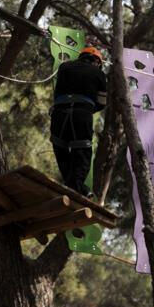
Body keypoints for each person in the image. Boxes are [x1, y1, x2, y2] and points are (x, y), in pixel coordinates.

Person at [50, 46, 107, 196]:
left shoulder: (64, 67)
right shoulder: (99, 73)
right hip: (81, 113)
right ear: (97, 62)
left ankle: (73, 186)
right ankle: (77, 187)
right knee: (82, 150)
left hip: (59, 112)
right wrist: (89, 109)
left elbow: (57, 91)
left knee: (60, 146)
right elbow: (102, 101)